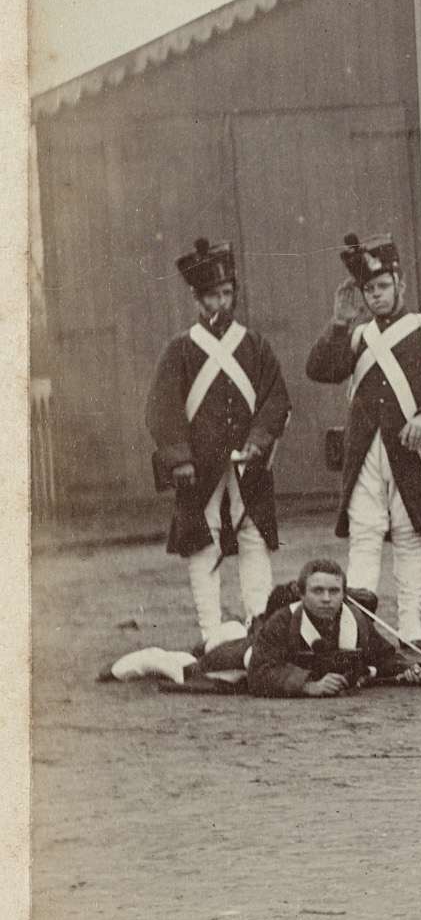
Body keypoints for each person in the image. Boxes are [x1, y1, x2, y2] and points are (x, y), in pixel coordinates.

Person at [306, 233, 421, 649]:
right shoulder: (357, 336)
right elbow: (319, 369)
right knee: (365, 536)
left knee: (409, 537)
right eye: (369, 289)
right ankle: (358, 630)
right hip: (364, 453)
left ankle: (411, 627)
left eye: (382, 286)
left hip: (408, 453)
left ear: (400, 284)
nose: (376, 295)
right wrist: (339, 322)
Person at [145, 237, 292, 647]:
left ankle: (260, 625)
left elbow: (275, 398)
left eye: (227, 293)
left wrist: (259, 439)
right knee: (202, 538)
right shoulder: (180, 349)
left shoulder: (255, 345)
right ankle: (211, 632)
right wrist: (179, 458)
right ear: (196, 298)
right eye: (212, 295)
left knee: (253, 534)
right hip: (199, 463)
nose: (221, 303)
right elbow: (161, 407)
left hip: (248, 458)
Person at [246, 558, 421, 698]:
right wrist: (308, 686)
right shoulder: (282, 621)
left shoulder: (355, 619)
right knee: (235, 654)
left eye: (334, 591)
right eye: (317, 591)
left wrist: (409, 669)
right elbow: (259, 672)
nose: (326, 599)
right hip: (250, 651)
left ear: (344, 594)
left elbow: (383, 655)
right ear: (302, 594)